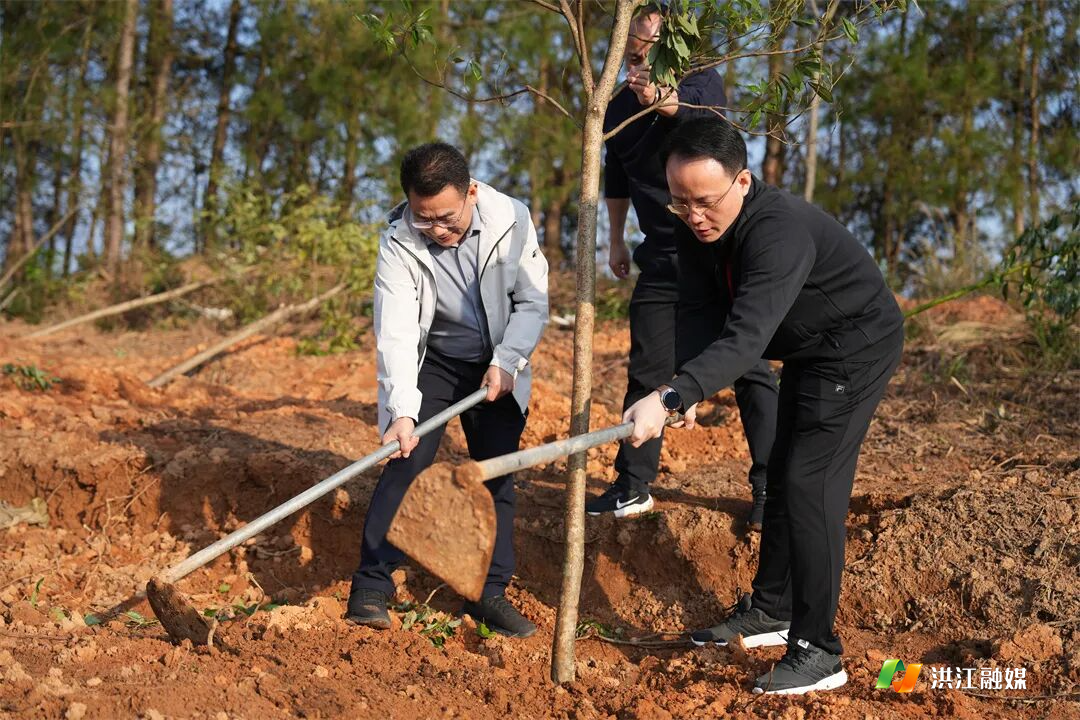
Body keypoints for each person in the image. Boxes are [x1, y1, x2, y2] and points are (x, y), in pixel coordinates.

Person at [624, 117, 905, 694]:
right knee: (781, 470)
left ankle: (819, 651)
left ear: (743, 182)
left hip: (854, 344)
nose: (693, 215)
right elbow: (700, 311)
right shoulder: (692, 225)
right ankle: (771, 611)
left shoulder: (778, 232)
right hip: (807, 346)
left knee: (809, 482)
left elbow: (746, 337)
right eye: (680, 201)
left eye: (705, 201)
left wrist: (676, 393)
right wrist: (686, 384)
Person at [346, 142, 549, 638]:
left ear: (471, 192)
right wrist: (400, 409)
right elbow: (393, 329)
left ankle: (489, 594)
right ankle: (371, 586)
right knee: (406, 459)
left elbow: (532, 302)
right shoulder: (398, 242)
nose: (436, 229)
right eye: (424, 218)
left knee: (494, 472)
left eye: (446, 217)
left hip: (498, 359)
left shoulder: (512, 220)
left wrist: (506, 362)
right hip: (434, 360)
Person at [586, 3, 778, 527]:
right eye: (631, 21)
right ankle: (632, 485)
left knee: (751, 366)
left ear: (668, 25)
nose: (639, 32)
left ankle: (770, 487)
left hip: (720, 249)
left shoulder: (698, 79)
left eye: (649, 19)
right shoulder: (613, 98)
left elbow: (712, 133)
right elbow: (615, 172)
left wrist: (663, 102)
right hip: (662, 251)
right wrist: (617, 241)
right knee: (647, 366)